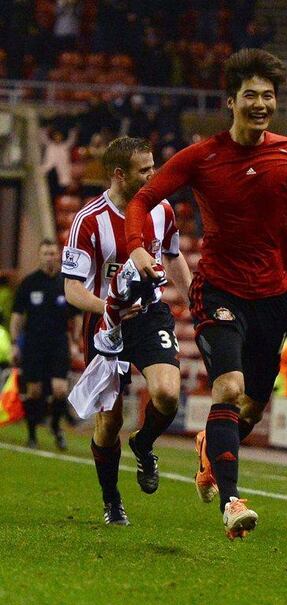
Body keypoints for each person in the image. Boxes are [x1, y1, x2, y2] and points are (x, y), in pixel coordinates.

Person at [123, 48, 287, 539]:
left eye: (268, 96)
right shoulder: (202, 157)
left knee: (249, 406)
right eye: (251, 95)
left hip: (273, 296)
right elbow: (142, 199)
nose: (260, 103)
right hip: (219, 289)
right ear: (231, 101)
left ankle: (212, 449)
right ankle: (232, 502)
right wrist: (138, 248)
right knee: (228, 388)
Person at [62, 136, 192, 526]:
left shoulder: (162, 209)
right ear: (119, 175)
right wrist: (110, 306)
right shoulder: (89, 220)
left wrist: (195, 302)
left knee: (168, 394)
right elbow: (72, 289)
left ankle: (145, 443)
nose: (154, 175)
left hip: (150, 314)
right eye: (145, 170)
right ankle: (112, 500)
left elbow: (173, 257)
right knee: (109, 423)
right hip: (106, 326)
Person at [10, 239, 78, 450]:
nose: (49, 257)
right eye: (45, 253)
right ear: (39, 256)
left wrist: (75, 341)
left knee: (59, 389)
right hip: (34, 343)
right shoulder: (29, 283)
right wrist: (14, 343)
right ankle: (32, 435)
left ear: (58, 256)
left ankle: (56, 426)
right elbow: (17, 315)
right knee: (34, 391)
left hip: (58, 342)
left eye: (52, 253)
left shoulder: (66, 283)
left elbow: (76, 315)